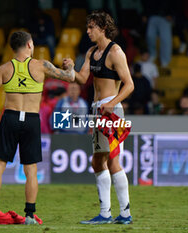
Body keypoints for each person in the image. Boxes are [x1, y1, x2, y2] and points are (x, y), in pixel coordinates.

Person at [0, 31, 75, 225]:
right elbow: (70, 78)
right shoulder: (41, 65)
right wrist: (71, 66)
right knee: (31, 170)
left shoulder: (4, 69)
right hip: (31, 120)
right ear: (29, 45)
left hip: (9, 117)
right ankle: (29, 215)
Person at [63, 11, 134, 224]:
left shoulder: (115, 52)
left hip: (111, 111)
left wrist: (111, 103)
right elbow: (83, 78)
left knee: (111, 161)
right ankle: (111, 213)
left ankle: (121, 213)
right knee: (98, 162)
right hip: (97, 111)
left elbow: (130, 84)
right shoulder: (92, 52)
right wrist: (70, 70)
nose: (88, 31)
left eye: (91, 27)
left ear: (103, 28)